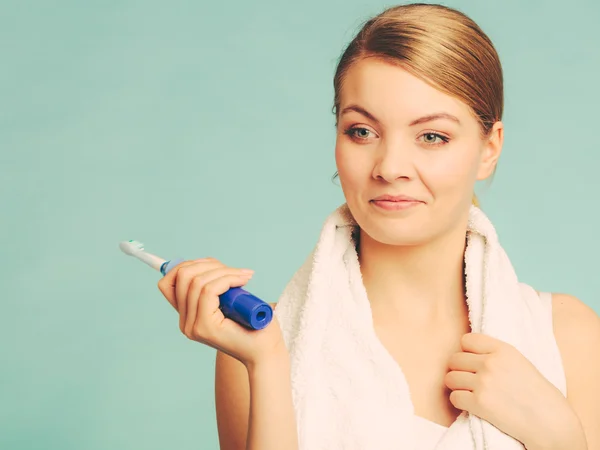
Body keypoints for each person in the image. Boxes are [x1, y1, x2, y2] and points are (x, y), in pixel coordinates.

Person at [157, 3, 600, 450]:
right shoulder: (255, 342)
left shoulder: (569, 337)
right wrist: (269, 364)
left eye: (432, 136)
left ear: (489, 148)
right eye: (362, 131)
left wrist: (559, 435)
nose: (390, 167)